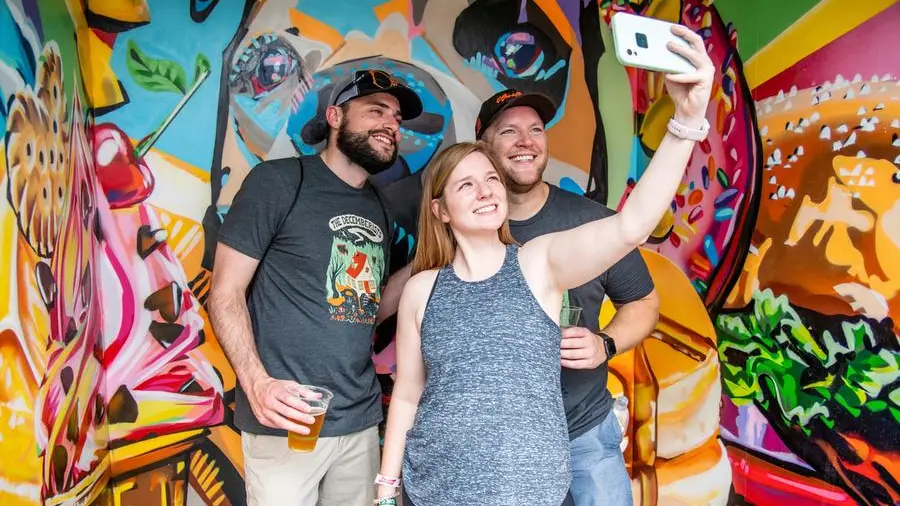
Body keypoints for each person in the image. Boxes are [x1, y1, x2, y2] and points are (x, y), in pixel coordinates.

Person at [374, 24, 713, 506]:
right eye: (466, 184)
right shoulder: (422, 287)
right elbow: (408, 395)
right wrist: (386, 490)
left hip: (534, 483)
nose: (485, 190)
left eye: (490, 180)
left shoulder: (539, 262)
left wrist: (686, 122)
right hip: (435, 489)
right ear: (441, 210)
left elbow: (633, 225)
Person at [207, 69, 423, 506]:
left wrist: (426, 262)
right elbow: (225, 293)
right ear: (335, 117)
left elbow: (367, 308)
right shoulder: (278, 181)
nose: (391, 125)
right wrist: (257, 384)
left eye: (397, 119)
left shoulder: (379, 209)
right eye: (376, 111)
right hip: (286, 419)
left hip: (360, 419)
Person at [472, 91, 660, 505]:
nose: (526, 141)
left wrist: (605, 343)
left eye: (535, 130)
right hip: (495, 446)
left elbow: (643, 302)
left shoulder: (591, 221)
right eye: (509, 132)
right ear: (482, 144)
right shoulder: (462, 229)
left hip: (584, 434)